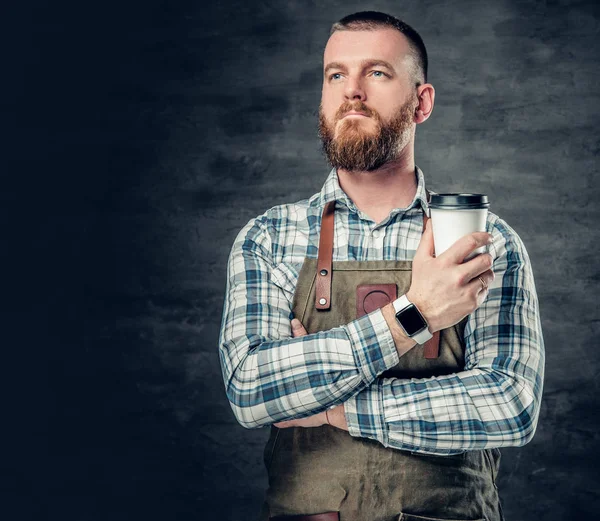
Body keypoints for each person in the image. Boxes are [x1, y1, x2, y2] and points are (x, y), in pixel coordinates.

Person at [218, 11, 544, 521]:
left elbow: (509, 405)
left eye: (376, 72)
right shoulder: (270, 238)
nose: (352, 91)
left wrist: (332, 408)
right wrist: (414, 314)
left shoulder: (486, 241)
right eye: (335, 74)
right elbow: (251, 389)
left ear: (422, 102)